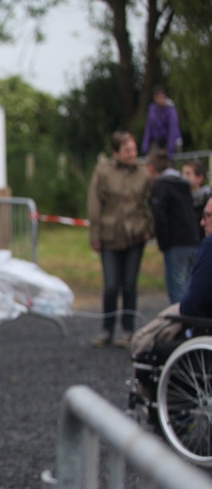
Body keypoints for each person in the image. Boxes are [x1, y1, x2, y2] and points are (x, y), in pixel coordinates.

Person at [88, 131, 153, 348]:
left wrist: (149, 227)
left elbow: (151, 202)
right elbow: (94, 204)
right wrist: (94, 235)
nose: (132, 154)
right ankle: (107, 329)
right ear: (116, 152)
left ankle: (128, 330)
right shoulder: (103, 172)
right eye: (127, 150)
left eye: (134, 150)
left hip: (135, 235)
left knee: (130, 285)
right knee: (111, 285)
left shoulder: (144, 173)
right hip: (109, 236)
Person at [146, 148, 200, 304]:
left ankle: (182, 326)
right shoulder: (183, 184)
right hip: (193, 239)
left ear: (151, 168)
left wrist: (163, 242)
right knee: (191, 286)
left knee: (177, 289)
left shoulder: (161, 186)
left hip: (176, 243)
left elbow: (160, 216)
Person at [180, 196, 212, 318]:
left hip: (205, 328)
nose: (202, 222)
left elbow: (191, 306)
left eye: (208, 216)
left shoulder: (210, 245)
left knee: (152, 331)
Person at [141, 86, 182, 158]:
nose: (160, 99)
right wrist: (145, 146)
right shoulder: (153, 110)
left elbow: (173, 129)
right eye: (158, 97)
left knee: (169, 164)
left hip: (171, 142)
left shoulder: (171, 111)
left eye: (162, 97)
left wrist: (170, 151)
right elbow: (149, 127)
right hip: (158, 141)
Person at [182, 159, 211, 235]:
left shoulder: (207, 197)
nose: (183, 177)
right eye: (183, 173)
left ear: (200, 178)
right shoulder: (182, 197)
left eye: (188, 174)